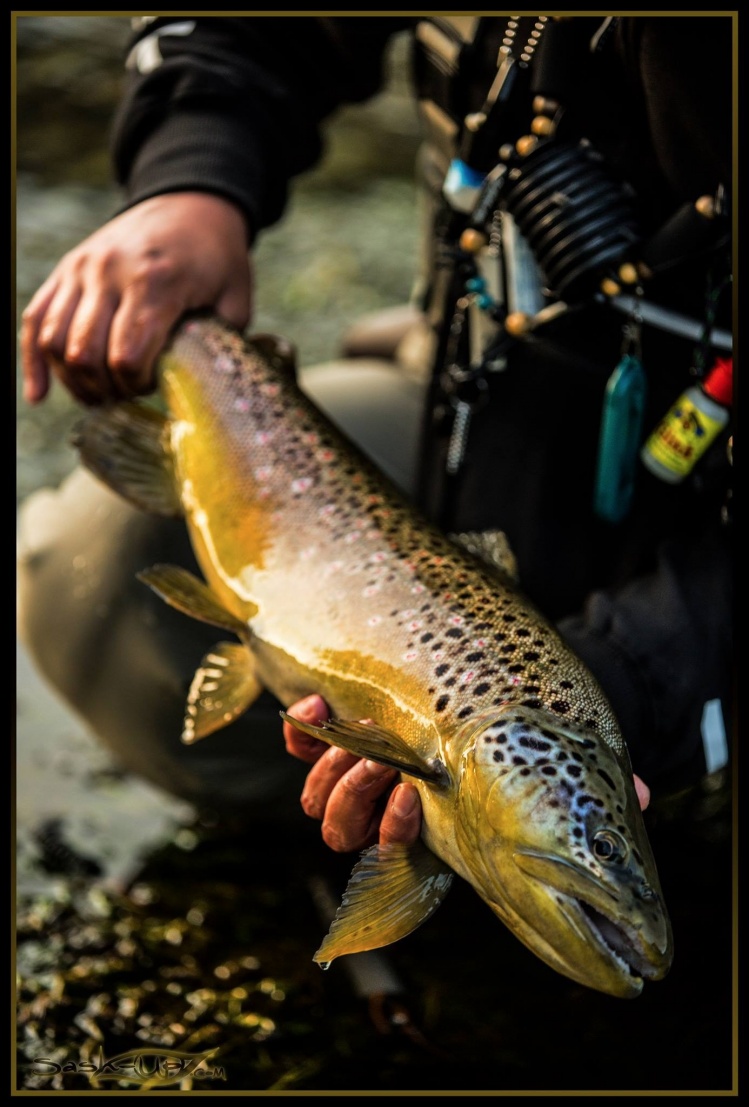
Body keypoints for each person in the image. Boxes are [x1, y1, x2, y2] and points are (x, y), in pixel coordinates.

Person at [18, 16, 733, 857]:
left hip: (699, 531)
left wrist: (634, 682)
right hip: (475, 411)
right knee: (96, 579)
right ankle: (364, 832)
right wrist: (190, 179)